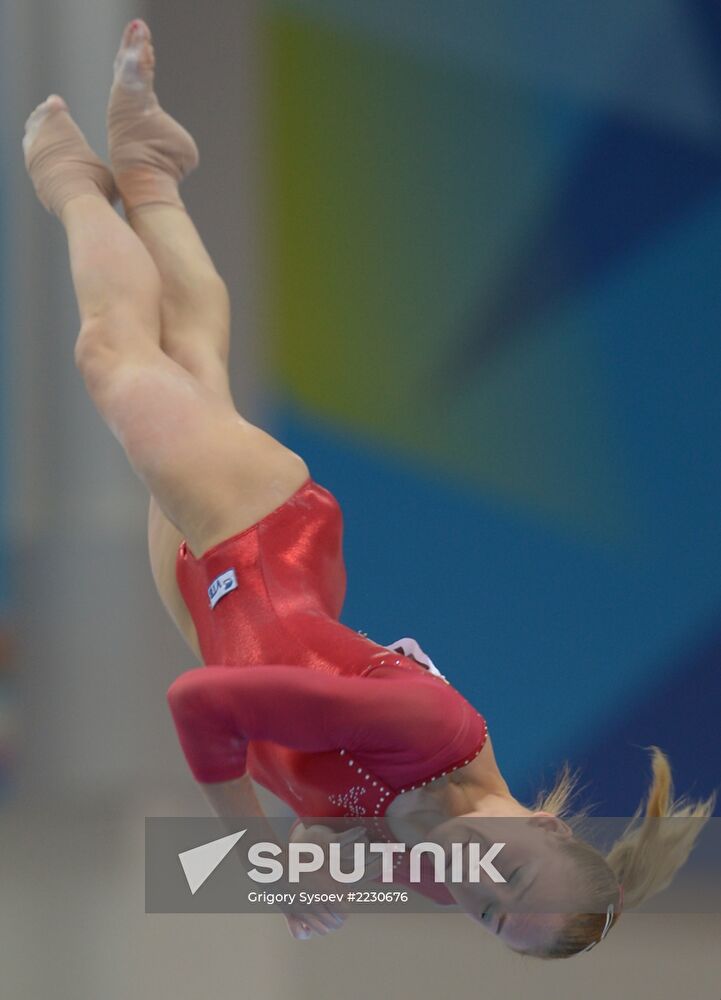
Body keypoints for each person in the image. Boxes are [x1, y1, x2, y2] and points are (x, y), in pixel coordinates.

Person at [23, 18, 716, 956]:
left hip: (209, 596)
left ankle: (149, 174)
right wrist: (251, 854)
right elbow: (202, 705)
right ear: (547, 828)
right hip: (259, 535)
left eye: (489, 913)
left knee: (190, 359)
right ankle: (71, 186)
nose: (475, 884)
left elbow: (311, 799)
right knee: (111, 353)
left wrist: (309, 856)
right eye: (508, 873)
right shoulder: (428, 728)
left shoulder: (428, 873)